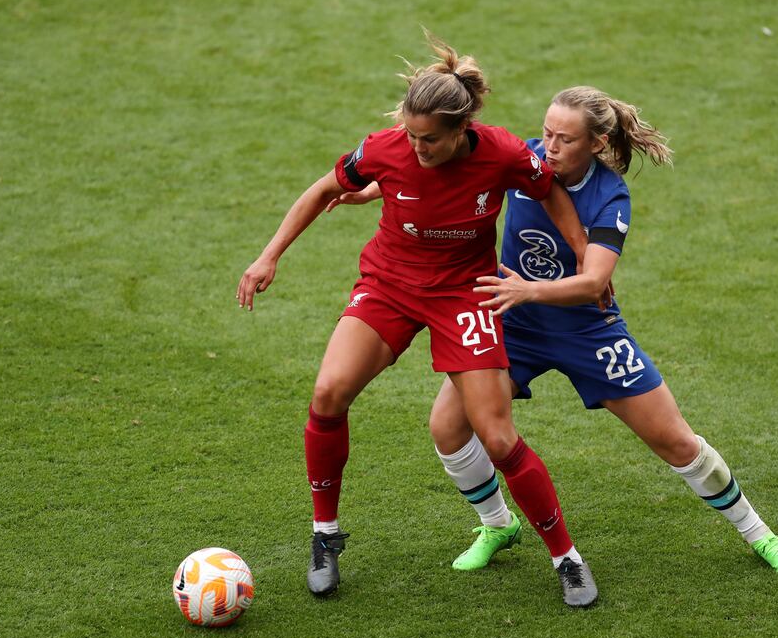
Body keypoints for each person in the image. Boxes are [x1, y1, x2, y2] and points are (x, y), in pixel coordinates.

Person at [333, 86, 778, 579]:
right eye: (546, 133)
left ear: (597, 144)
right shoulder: (522, 160)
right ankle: (497, 524)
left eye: (565, 140)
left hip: (587, 331)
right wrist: (371, 189)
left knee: (675, 441)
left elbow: (595, 282)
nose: (550, 148)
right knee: (448, 428)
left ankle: (760, 534)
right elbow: (446, 171)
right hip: (514, 324)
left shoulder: (610, 197)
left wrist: (527, 292)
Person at [236, 36, 601, 608]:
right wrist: (268, 254)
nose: (417, 148)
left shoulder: (503, 153)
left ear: (461, 131)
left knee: (497, 434)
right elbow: (324, 188)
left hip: (463, 295)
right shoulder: (385, 149)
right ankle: (325, 537)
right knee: (329, 392)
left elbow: (549, 189)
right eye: (410, 136)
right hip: (389, 286)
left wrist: (580, 250)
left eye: (429, 139)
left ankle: (566, 558)